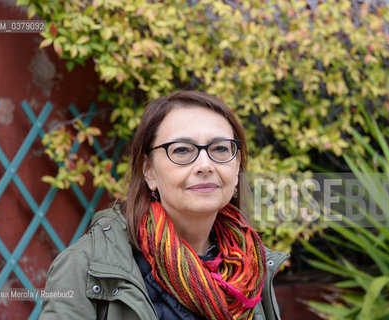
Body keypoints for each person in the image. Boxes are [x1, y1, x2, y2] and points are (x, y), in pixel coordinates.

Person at [39, 91, 289, 320]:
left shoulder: (250, 266)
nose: (205, 164)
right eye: (181, 150)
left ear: (236, 168)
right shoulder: (87, 267)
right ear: (149, 171)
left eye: (221, 148)